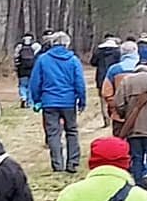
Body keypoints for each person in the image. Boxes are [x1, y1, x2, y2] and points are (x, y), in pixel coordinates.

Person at [26, 30, 88, 172]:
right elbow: (79, 82)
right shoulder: (73, 60)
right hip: (68, 102)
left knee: (53, 133)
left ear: (52, 43)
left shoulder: (43, 59)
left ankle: (57, 164)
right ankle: (72, 162)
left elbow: (35, 82)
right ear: (67, 43)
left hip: (49, 101)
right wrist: (82, 100)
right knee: (71, 131)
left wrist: (36, 99)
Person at [110, 57, 147, 190]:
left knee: (136, 156)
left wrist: (125, 114)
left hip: (133, 126)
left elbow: (118, 103)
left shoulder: (127, 81)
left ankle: (138, 184)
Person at [90, 35, 122, 125]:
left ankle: (106, 120)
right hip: (114, 77)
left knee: (103, 99)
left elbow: (93, 62)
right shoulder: (117, 51)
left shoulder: (98, 51)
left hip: (101, 77)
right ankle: (115, 117)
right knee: (115, 98)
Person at [13, 34, 42, 107]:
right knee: (30, 86)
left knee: (22, 85)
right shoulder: (36, 46)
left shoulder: (19, 46)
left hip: (22, 69)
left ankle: (23, 97)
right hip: (32, 69)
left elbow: (16, 57)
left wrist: (17, 67)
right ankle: (30, 102)